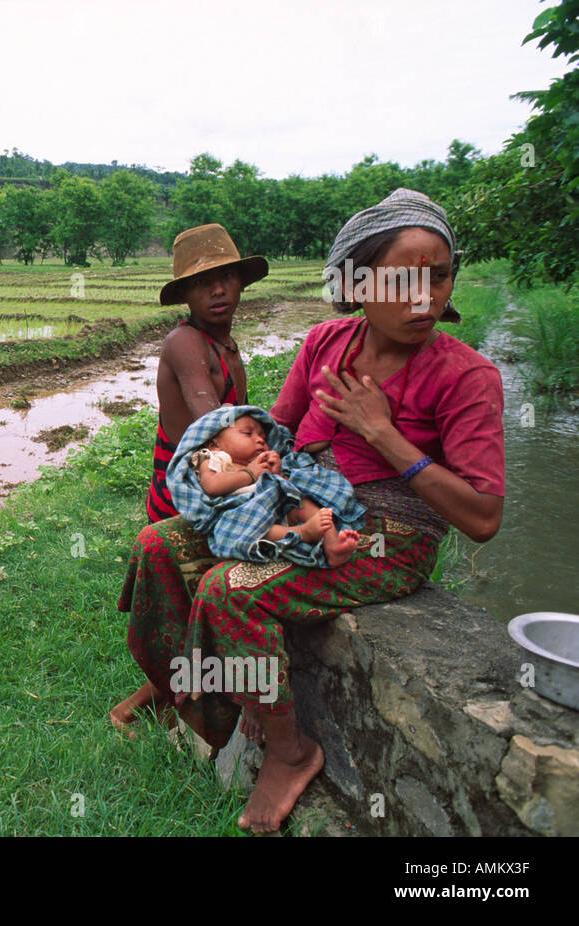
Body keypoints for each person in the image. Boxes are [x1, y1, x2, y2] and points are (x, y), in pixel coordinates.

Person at [114, 189, 504, 834]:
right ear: (356, 282)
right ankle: (189, 694)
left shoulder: (465, 376)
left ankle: (291, 750)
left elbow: (483, 519)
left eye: (439, 277)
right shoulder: (327, 343)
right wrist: (240, 482)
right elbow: (281, 432)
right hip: (298, 511)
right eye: (402, 278)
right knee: (159, 544)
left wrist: (384, 436)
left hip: (385, 536)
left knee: (232, 591)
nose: (424, 297)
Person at [147, 224, 267, 522]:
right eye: (202, 282)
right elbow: (214, 427)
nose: (217, 290)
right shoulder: (184, 342)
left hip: (224, 478)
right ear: (185, 294)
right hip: (187, 493)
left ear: (241, 282)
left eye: (226, 276)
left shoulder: (226, 346)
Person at [171, 407, 364, 569]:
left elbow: (280, 487)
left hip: (276, 506)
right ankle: (303, 533)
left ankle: (333, 545)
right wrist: (249, 474)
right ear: (215, 443)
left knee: (304, 503)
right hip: (244, 513)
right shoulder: (214, 458)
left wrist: (277, 475)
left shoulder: (259, 462)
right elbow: (212, 486)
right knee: (258, 529)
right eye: (248, 433)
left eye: (263, 436)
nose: (260, 440)